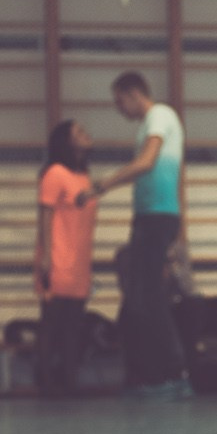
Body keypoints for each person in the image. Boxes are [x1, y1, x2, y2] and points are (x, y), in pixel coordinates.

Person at [83, 72, 189, 398]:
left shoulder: (160, 116)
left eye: (120, 101)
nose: (120, 109)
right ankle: (147, 374)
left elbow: (146, 162)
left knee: (150, 297)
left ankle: (172, 373)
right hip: (148, 217)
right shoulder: (147, 124)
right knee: (139, 299)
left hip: (158, 217)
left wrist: (102, 185)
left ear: (133, 93)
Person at [34, 119, 100, 396]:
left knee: (74, 326)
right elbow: (45, 217)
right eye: (78, 132)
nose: (86, 133)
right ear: (66, 141)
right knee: (52, 323)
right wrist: (47, 257)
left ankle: (69, 382)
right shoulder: (54, 174)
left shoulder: (83, 176)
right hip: (58, 258)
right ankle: (46, 383)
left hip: (80, 262)